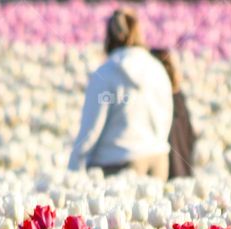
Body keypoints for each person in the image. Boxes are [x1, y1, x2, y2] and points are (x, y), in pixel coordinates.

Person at [68, 8, 173, 180]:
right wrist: (156, 143)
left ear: (109, 37)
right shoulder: (157, 68)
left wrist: (73, 168)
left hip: (117, 162)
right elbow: (167, 113)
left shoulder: (105, 73)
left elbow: (91, 129)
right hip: (158, 160)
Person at [151, 48, 196, 179]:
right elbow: (190, 136)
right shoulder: (179, 97)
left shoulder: (158, 100)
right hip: (183, 167)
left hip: (167, 168)